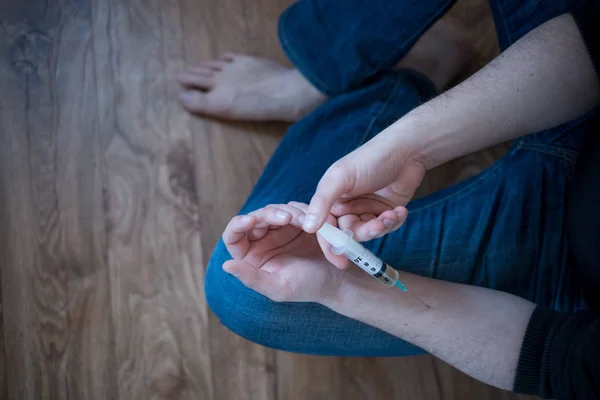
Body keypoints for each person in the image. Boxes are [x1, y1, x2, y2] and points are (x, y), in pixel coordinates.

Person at [179, 0, 600, 398]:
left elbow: (556, 360)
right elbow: (592, 44)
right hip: (580, 108)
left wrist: (339, 287)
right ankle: (330, 79)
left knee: (246, 284)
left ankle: (395, 82)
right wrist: (408, 146)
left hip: (565, 276)